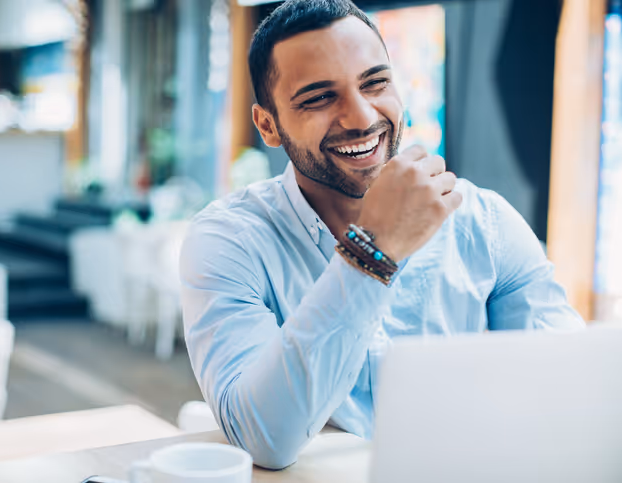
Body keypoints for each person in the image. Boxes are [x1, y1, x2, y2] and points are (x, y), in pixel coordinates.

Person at [180, 0, 584, 470]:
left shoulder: (484, 223)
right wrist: (373, 250)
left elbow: (566, 390)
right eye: (318, 97)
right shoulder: (228, 241)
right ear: (268, 126)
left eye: (375, 83)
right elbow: (265, 438)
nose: (360, 116)